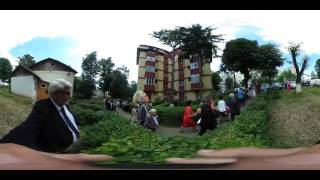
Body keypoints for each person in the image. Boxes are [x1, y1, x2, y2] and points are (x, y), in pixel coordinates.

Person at [0, 79, 80, 153]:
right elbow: (28, 129)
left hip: (78, 144)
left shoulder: (65, 105)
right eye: (68, 93)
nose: (70, 96)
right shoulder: (43, 107)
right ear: (55, 94)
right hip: (61, 151)